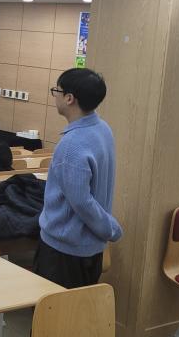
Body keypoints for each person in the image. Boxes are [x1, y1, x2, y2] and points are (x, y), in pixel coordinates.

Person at [36, 68, 122, 288]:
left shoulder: (71, 145)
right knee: (79, 306)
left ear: (69, 98)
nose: (54, 96)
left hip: (64, 252)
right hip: (91, 248)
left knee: (56, 309)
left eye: (57, 91)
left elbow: (82, 202)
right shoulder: (103, 129)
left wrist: (109, 228)